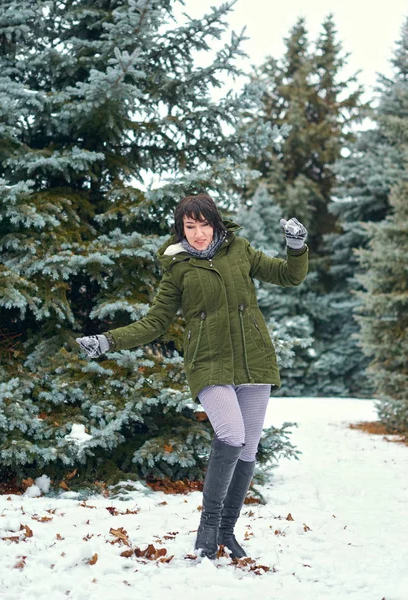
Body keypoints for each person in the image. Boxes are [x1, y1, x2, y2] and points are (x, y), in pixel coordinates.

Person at [76, 193, 308, 560]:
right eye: (190, 226)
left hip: (254, 361)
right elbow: (155, 322)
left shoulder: (241, 250)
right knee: (231, 435)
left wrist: (296, 246)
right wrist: (108, 340)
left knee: (248, 447)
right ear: (180, 229)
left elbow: (288, 275)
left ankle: (226, 534)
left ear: (215, 223)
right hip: (209, 362)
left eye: (203, 225)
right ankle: (207, 531)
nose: (198, 234)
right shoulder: (178, 268)